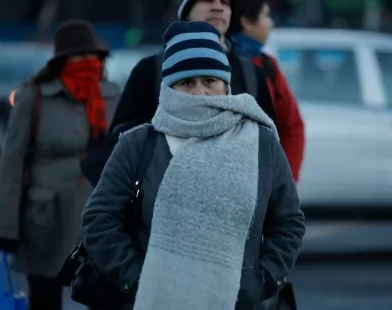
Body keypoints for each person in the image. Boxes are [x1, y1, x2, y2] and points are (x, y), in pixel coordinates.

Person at [82, 21, 305, 310]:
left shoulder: (260, 143)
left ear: (225, 84)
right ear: (169, 88)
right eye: (187, 83)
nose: (201, 93)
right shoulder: (140, 144)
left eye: (210, 81)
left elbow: (288, 222)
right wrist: (138, 279)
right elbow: (99, 219)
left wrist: (260, 280)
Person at [0, 20, 120, 310]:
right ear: (63, 60)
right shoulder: (34, 96)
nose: (87, 63)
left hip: (97, 214)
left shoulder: (111, 95)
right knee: (45, 302)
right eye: (79, 56)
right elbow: (11, 162)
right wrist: (6, 227)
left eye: (92, 56)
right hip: (45, 216)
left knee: (103, 299)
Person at [79, 0, 280, 187]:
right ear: (186, 12)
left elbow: (270, 149)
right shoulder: (151, 69)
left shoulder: (252, 73)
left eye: (225, 2)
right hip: (162, 200)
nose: (218, 7)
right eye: (207, 0)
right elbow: (122, 140)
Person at [229, 0, 305, 182]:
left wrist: (285, 182)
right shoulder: (215, 64)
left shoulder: (267, 65)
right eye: (265, 15)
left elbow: (292, 126)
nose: (270, 23)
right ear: (247, 21)